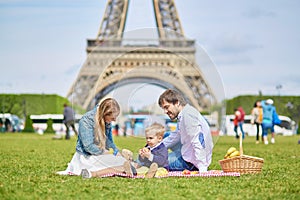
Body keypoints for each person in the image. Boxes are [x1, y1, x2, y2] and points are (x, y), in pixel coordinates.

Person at [57, 98, 133, 178]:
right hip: (87, 156)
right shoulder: (86, 120)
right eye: (113, 118)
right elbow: (89, 147)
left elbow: (109, 142)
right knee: (120, 163)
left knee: (121, 161)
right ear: (105, 113)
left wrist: (117, 153)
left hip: (100, 153)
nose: (114, 120)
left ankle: (121, 165)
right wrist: (108, 153)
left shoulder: (105, 120)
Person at [158, 89, 213, 172]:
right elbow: (174, 137)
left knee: (156, 160)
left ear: (177, 102)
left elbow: (197, 140)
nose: (165, 111)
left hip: (191, 163)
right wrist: (154, 149)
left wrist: (202, 168)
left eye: (166, 107)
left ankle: (137, 163)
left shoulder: (188, 115)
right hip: (188, 154)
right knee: (164, 137)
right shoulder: (184, 114)